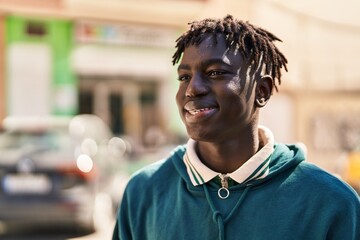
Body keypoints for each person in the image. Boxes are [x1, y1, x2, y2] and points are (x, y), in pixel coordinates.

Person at [112, 15, 360, 240]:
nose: (192, 89)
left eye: (215, 72)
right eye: (184, 77)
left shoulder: (331, 202)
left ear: (261, 91)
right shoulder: (144, 191)